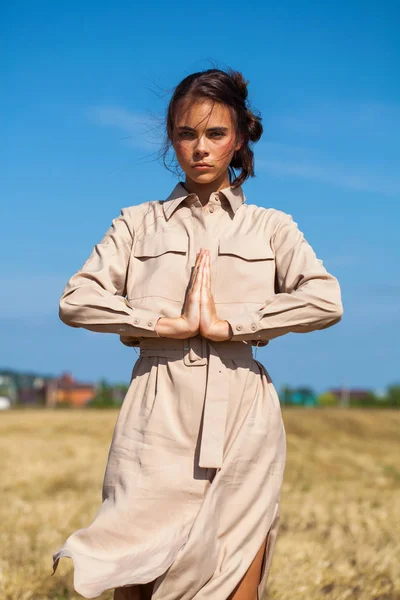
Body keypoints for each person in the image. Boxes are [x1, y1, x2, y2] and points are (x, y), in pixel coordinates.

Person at [51, 67, 343, 600]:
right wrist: (164, 324)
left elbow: (325, 300)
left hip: (243, 413)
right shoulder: (137, 223)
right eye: (187, 135)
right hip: (155, 411)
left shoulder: (271, 227)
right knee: (134, 570)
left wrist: (232, 326)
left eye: (215, 135)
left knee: (235, 578)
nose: (200, 149)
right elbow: (77, 299)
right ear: (172, 139)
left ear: (238, 140)